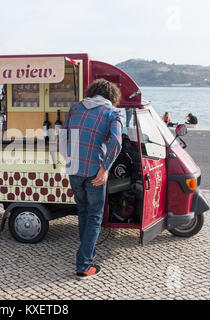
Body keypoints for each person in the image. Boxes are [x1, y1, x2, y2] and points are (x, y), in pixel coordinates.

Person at [63, 78, 123, 278]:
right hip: (94, 171)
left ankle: (86, 254)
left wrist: (68, 160)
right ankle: (84, 265)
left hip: (74, 170)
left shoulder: (76, 108)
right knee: (95, 216)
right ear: (112, 97)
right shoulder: (112, 113)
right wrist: (105, 169)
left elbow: (62, 136)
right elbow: (116, 142)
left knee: (83, 212)